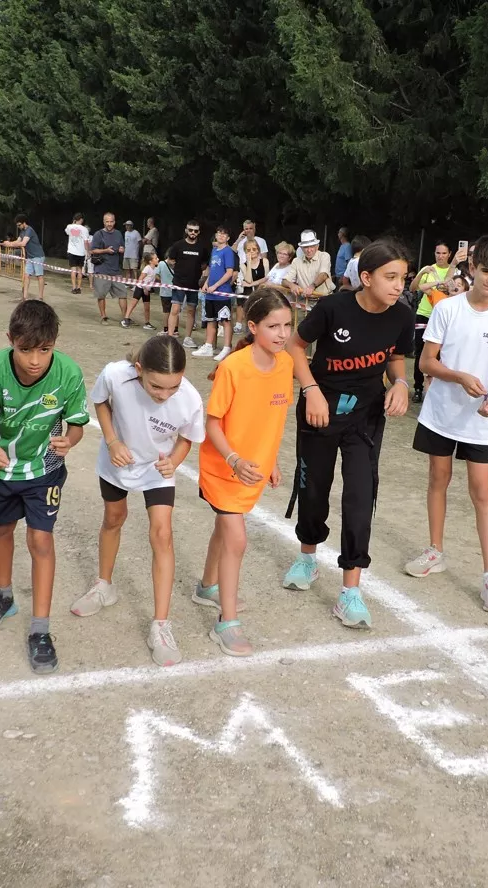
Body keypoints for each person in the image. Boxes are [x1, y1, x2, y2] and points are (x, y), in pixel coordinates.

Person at [282, 241, 415, 629]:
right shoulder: (333, 308)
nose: (398, 285)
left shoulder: (402, 315)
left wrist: (401, 383)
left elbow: (395, 358)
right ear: (367, 277)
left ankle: (350, 592)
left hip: (365, 417)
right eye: (391, 277)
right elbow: (294, 345)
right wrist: (311, 390)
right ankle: (307, 558)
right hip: (320, 410)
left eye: (403, 278)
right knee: (313, 490)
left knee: (359, 498)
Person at [406, 234, 488, 613]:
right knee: (438, 480)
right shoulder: (447, 309)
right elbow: (426, 362)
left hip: (479, 419)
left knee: (483, 494)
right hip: (441, 414)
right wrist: (458, 377)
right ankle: (435, 550)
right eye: (486, 272)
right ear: (471, 268)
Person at [0, 301, 90, 674]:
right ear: (11, 340)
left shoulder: (68, 373)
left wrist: (70, 440)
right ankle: (4, 596)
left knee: (41, 541)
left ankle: (40, 629)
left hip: (45, 469)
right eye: (25, 350)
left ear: (55, 342)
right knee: (1, 529)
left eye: (44, 349)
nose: (35, 360)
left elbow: (77, 424)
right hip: (2, 469)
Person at [72, 335, 205, 666]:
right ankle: (104, 586)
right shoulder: (115, 375)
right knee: (113, 518)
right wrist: (112, 441)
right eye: (156, 386)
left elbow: (186, 438)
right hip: (117, 459)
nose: (164, 395)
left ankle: (161, 624)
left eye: (173, 387)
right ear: (139, 369)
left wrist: (174, 461)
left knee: (162, 534)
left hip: (157, 468)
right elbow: (100, 402)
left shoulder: (190, 399)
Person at [192, 287, 296, 656]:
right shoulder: (233, 368)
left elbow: (271, 418)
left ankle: (207, 586)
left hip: (254, 469)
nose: (282, 334)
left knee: (225, 531)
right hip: (223, 469)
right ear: (253, 327)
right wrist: (234, 459)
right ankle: (227, 623)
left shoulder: (286, 364)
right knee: (236, 539)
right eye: (273, 326)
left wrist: (272, 460)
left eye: (287, 325)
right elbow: (213, 424)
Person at [412, 273, 465, 402]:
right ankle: (426, 396)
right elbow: (422, 287)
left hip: (452, 343)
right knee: (429, 370)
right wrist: (440, 282)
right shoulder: (440, 296)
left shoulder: (466, 304)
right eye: (453, 283)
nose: (455, 286)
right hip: (436, 340)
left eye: (459, 285)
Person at [193, 226, 240, 360]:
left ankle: (227, 347)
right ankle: (208, 346)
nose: (221, 236)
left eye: (224, 234)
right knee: (211, 320)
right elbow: (212, 270)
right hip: (210, 293)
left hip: (222, 293)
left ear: (228, 238)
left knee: (225, 321)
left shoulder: (228, 252)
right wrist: (206, 284)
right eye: (219, 233)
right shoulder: (214, 250)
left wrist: (215, 286)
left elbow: (229, 273)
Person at [165, 220, 212, 347]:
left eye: (195, 231)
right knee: (175, 309)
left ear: (199, 232)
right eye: (190, 230)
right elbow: (170, 260)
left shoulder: (202, 247)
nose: (192, 232)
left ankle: (188, 338)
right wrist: (179, 269)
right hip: (179, 282)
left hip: (194, 285)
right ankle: (170, 337)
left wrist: (200, 275)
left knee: (191, 311)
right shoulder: (178, 245)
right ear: (186, 230)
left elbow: (204, 264)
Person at [90, 212, 128, 325]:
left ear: (114, 222)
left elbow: (122, 246)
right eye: (107, 221)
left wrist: (122, 249)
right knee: (101, 295)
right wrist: (105, 250)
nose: (109, 224)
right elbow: (92, 250)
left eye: (111, 221)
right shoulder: (98, 234)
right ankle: (103, 316)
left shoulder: (118, 234)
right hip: (101, 269)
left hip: (116, 270)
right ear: (104, 222)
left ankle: (125, 318)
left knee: (123, 294)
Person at [0, 214, 46, 301]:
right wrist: (9, 243)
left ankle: (40, 297)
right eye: (17, 225)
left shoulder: (29, 230)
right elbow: (17, 241)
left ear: (24, 223)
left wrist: (9, 244)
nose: (18, 227)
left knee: (39, 276)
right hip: (30, 257)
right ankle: (25, 297)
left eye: (19, 225)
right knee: (26, 275)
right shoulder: (22, 232)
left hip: (38, 256)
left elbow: (23, 243)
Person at [289, 230, 336, 304]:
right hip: (305, 301)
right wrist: (291, 285)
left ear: (317, 246)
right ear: (301, 248)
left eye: (312, 246)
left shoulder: (324, 256)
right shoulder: (296, 261)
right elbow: (284, 280)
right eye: (306, 247)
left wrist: (312, 286)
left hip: (324, 299)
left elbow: (323, 274)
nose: (309, 250)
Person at [129, 245, 160, 331]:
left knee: (147, 308)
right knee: (133, 304)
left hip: (147, 290)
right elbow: (140, 279)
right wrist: (145, 289)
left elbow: (155, 277)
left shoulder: (155, 269)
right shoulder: (147, 268)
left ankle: (147, 323)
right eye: (156, 258)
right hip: (140, 288)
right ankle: (126, 319)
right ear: (150, 261)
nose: (158, 259)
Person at [65, 213, 90, 294]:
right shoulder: (84, 229)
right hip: (81, 252)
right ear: (81, 219)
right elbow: (86, 242)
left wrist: (73, 223)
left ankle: (73, 287)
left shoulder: (69, 226)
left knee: (73, 270)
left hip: (72, 251)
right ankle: (79, 288)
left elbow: (67, 232)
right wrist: (88, 251)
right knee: (80, 270)